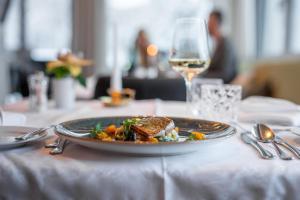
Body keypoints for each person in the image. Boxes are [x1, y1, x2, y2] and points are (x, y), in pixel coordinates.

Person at [204, 10, 238, 83]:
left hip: (226, 86)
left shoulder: (226, 45)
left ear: (217, 23)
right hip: (211, 84)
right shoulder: (215, 43)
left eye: (210, 22)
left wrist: (200, 76)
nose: (208, 25)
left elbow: (225, 75)